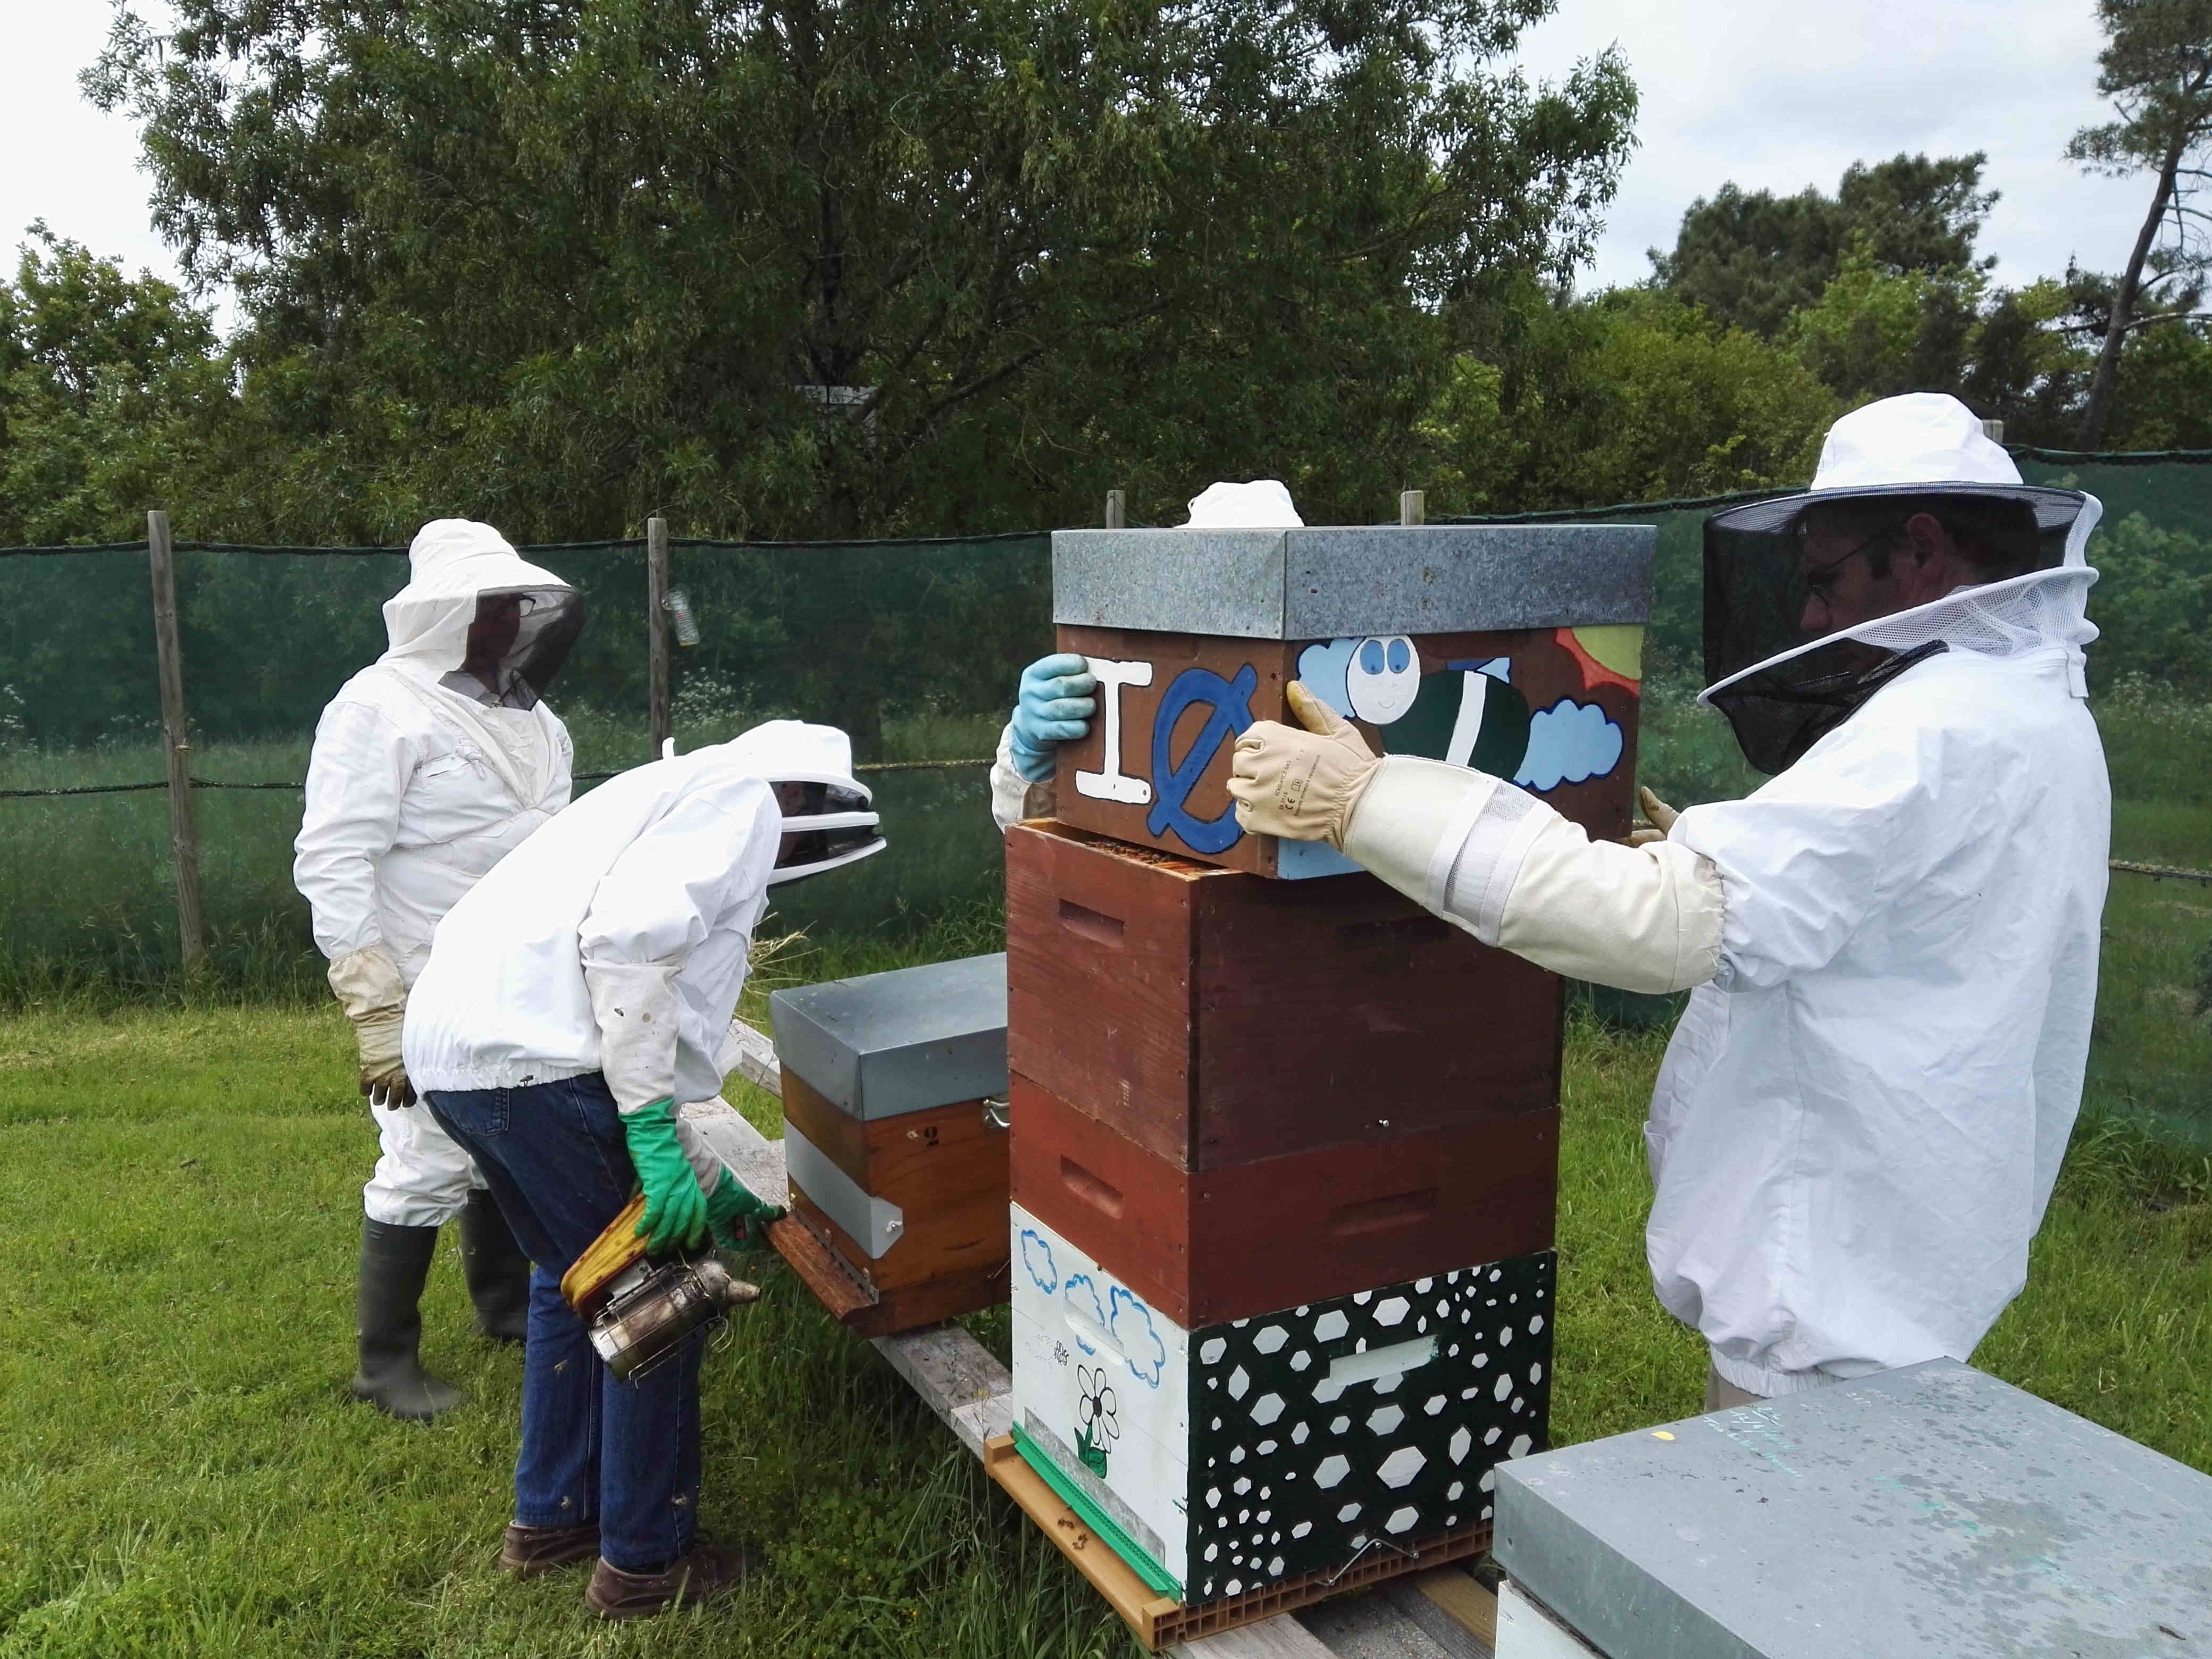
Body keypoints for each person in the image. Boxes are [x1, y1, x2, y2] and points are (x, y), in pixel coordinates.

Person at [1226, 393, 2109, 1408]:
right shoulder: (2040, 712)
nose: (1814, 616)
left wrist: (1364, 801)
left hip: (1827, 1291)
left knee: (1766, 1550)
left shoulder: (1937, 728)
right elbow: (1892, 908)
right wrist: (1708, 858)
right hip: (1899, 1254)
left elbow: (1661, 928)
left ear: (1918, 552)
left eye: (1824, 581)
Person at [404, 722, 884, 1620]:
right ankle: (643, 1565)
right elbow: (627, 951)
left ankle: (548, 1521)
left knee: (569, 1279)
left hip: (463, 1062)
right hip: (533, 1067)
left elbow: (623, 1059)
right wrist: (661, 1151)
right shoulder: (738, 800)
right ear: (803, 796)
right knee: (656, 1304)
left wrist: (705, 1174)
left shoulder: (659, 798)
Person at [295, 518, 586, 1420]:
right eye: (487, 604)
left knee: (503, 1140)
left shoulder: (537, 721)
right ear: (439, 611)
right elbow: (335, 857)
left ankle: (503, 1308)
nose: (506, 621)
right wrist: (373, 1003)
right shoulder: (375, 707)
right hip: (425, 978)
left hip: (523, 969)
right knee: (422, 1154)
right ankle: (384, 1366)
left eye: (515, 604)